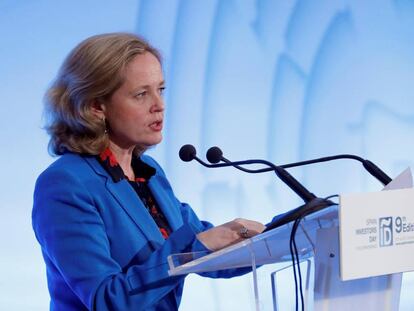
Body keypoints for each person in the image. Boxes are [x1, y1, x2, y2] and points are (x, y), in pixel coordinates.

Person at [32, 32, 265, 311]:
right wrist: (191, 250)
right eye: (141, 94)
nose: (160, 105)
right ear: (96, 106)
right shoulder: (65, 184)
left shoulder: (148, 172)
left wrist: (284, 230)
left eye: (161, 90)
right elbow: (108, 299)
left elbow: (207, 251)